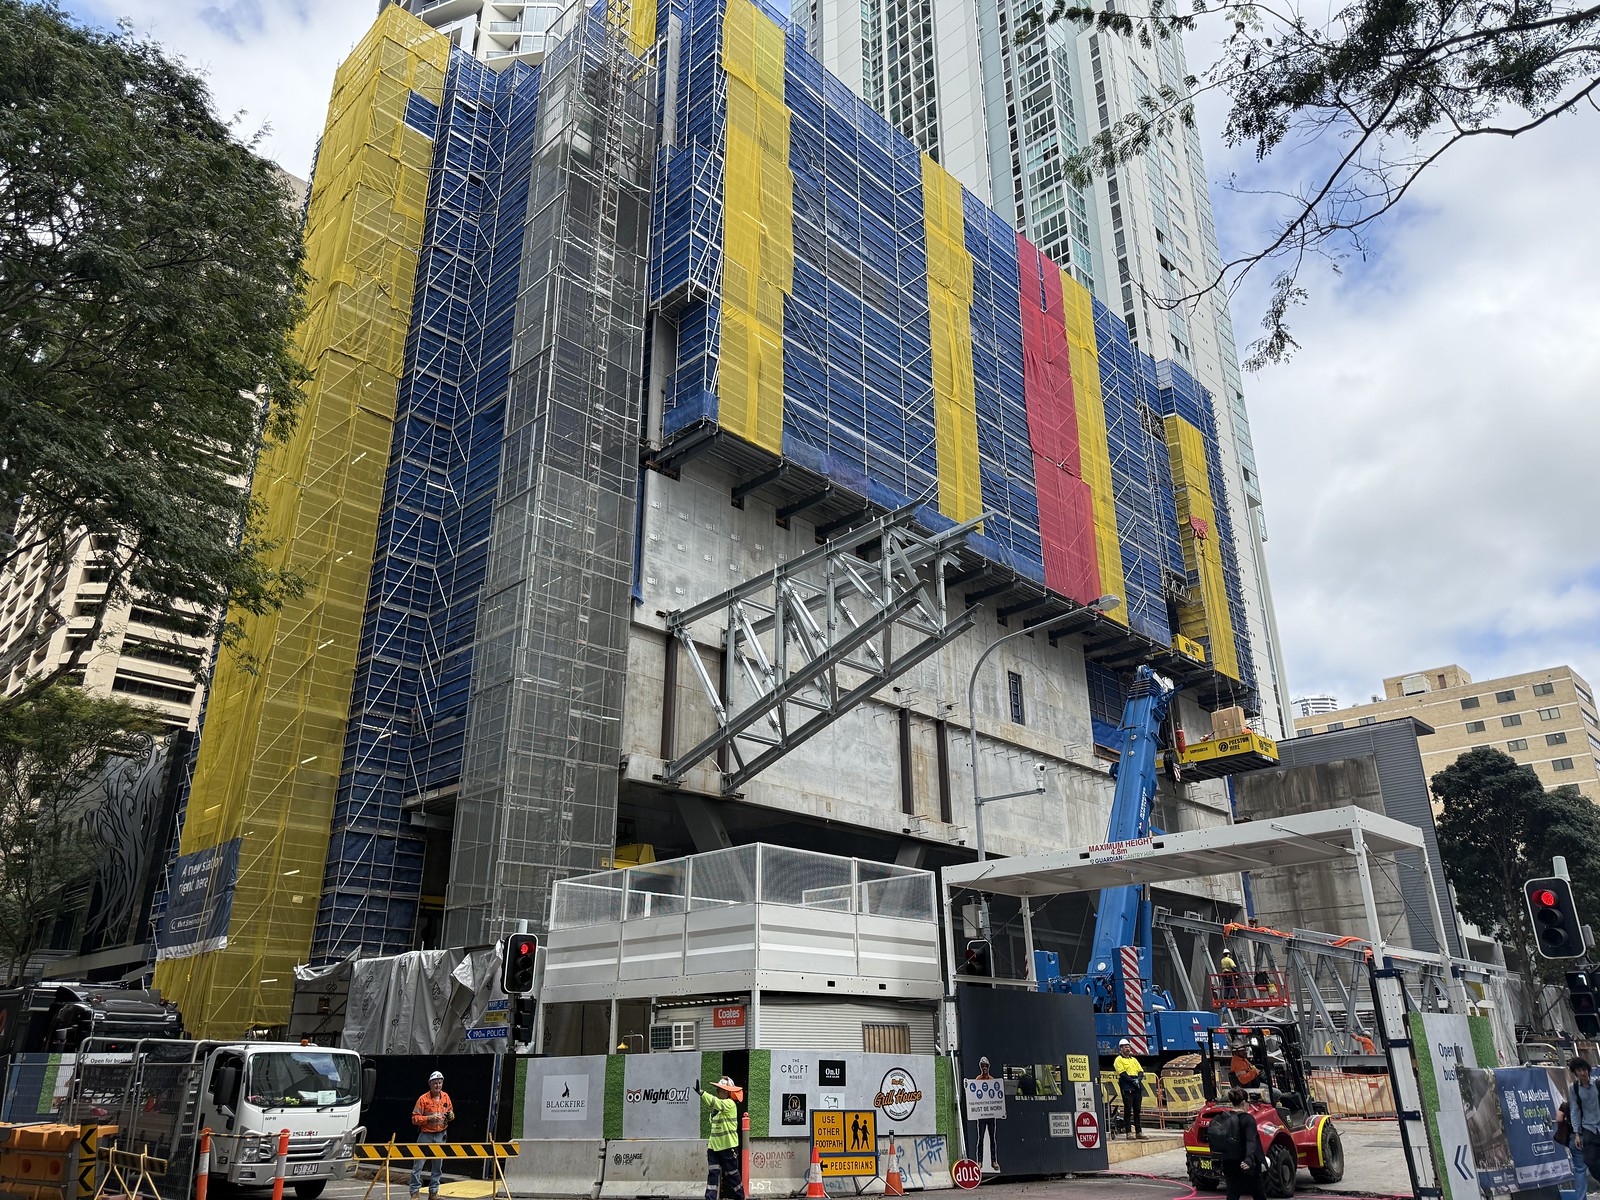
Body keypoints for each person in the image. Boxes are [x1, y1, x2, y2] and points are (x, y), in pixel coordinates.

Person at [1209, 1087, 1267, 1200]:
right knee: (1258, 1194)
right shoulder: (1248, 1119)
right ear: (1244, 1102)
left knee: (1232, 1194)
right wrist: (1248, 1159)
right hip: (1246, 1164)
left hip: (1229, 1162)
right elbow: (1251, 1140)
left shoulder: (1224, 1117)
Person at [694, 1075, 745, 1200]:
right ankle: (710, 1198)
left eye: (719, 1089)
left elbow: (714, 1102)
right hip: (714, 1148)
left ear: (726, 1092)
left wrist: (702, 1093)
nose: (717, 1091)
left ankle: (740, 1197)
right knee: (713, 1174)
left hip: (727, 1147)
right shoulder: (717, 1109)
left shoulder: (730, 1104)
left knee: (732, 1175)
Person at [409, 1070, 454, 1200]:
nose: (438, 1085)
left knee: (437, 1166)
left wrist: (451, 1116)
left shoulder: (446, 1097)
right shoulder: (423, 1099)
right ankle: (414, 1193)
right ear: (430, 1084)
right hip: (426, 1135)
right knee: (418, 1165)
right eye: (435, 1083)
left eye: (440, 1083)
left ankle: (433, 1193)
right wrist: (429, 1119)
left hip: (441, 1135)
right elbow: (414, 1119)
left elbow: (451, 1113)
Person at [1569, 1058, 1600, 1189]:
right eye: (1579, 1070)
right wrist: (1577, 1133)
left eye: (1584, 1069)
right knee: (1589, 1160)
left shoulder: (1598, 1084)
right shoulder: (1574, 1088)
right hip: (1588, 1127)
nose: (1582, 1073)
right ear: (1575, 1073)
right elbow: (1574, 1109)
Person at [1113, 1039, 1147, 1139]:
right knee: (1128, 1110)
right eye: (1125, 1047)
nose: (1128, 1048)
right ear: (1121, 1048)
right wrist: (1133, 1081)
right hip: (1127, 1087)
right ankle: (1128, 1132)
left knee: (1137, 1110)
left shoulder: (1133, 1060)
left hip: (1136, 1088)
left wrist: (1138, 1079)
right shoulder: (1118, 1060)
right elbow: (1122, 1073)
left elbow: (1140, 1071)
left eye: (1128, 1046)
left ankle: (1139, 1132)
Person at [971, 1057, 1000, 1171]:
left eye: (986, 1066)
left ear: (988, 1067)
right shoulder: (978, 1080)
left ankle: (994, 1161)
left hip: (990, 1115)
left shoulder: (992, 1080)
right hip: (982, 1115)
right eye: (982, 1066)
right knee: (981, 1138)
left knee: (992, 1138)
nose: (984, 1068)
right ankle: (980, 1161)